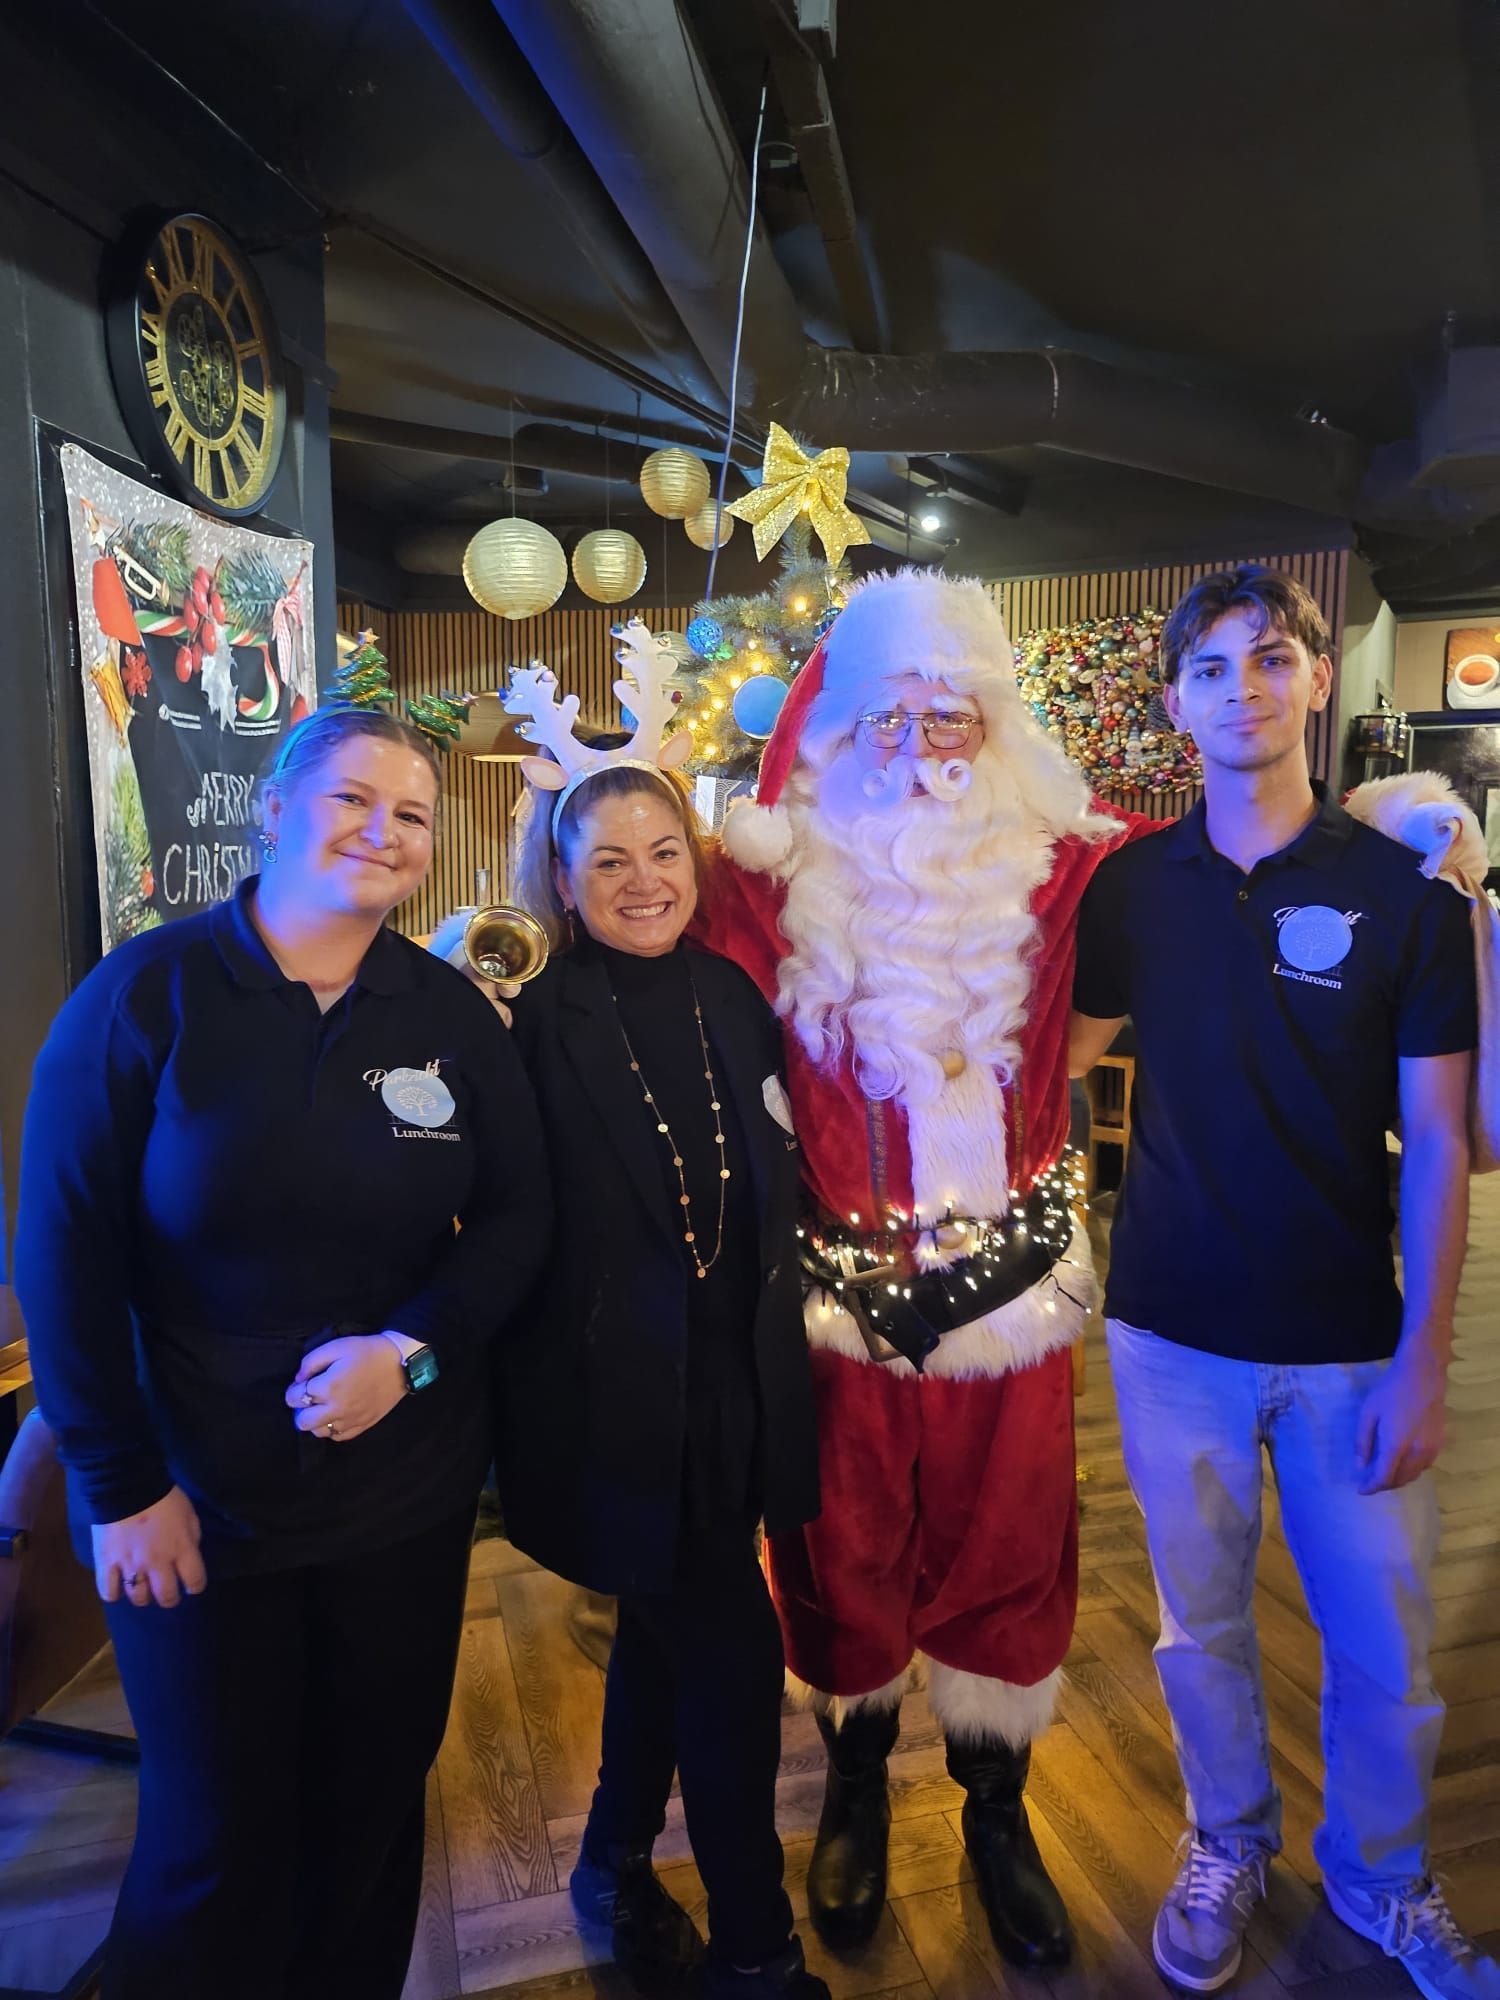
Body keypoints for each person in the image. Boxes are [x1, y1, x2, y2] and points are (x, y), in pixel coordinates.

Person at [15, 706, 550, 2000]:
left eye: (411, 815)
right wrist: (120, 1488)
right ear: (274, 812)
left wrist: (413, 1351)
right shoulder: (146, 996)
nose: (383, 831)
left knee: (370, 1805)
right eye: (353, 800)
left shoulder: (447, 1014)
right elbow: (61, 1255)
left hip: (401, 1493)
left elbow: (523, 1215)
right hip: (193, 1496)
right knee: (218, 1838)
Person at [695, 568, 1155, 1969]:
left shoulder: (1074, 865)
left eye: (953, 720)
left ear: (999, 729)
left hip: (1012, 1293)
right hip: (836, 1297)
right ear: (839, 737)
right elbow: (626, 899)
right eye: (892, 722)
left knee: (1012, 1534)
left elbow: (1199, 897)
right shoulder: (769, 882)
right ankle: (851, 1774)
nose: (924, 748)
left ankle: (997, 1805)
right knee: (838, 1538)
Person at [1069, 565, 1497, 2000]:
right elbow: (1044, 1070)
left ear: (1317, 680)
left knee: (1384, 1648)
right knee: (1198, 1635)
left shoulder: (1406, 899)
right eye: (1210, 669)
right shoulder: (1131, 889)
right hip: (1167, 1332)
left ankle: (1384, 1883)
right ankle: (1229, 1841)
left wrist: (1428, 1359)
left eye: (1268, 660)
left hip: (1347, 1339)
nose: (1240, 688)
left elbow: (1442, 1140)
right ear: (1178, 702)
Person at [490, 628, 826, 2000]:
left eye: (665, 852)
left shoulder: (735, 997)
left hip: (735, 1393)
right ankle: (756, 1943)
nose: (644, 881)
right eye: (609, 860)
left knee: (668, 1631)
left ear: (697, 863)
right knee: (732, 1664)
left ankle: (617, 1856)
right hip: (613, 1405)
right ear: (564, 879)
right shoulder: (527, 1020)